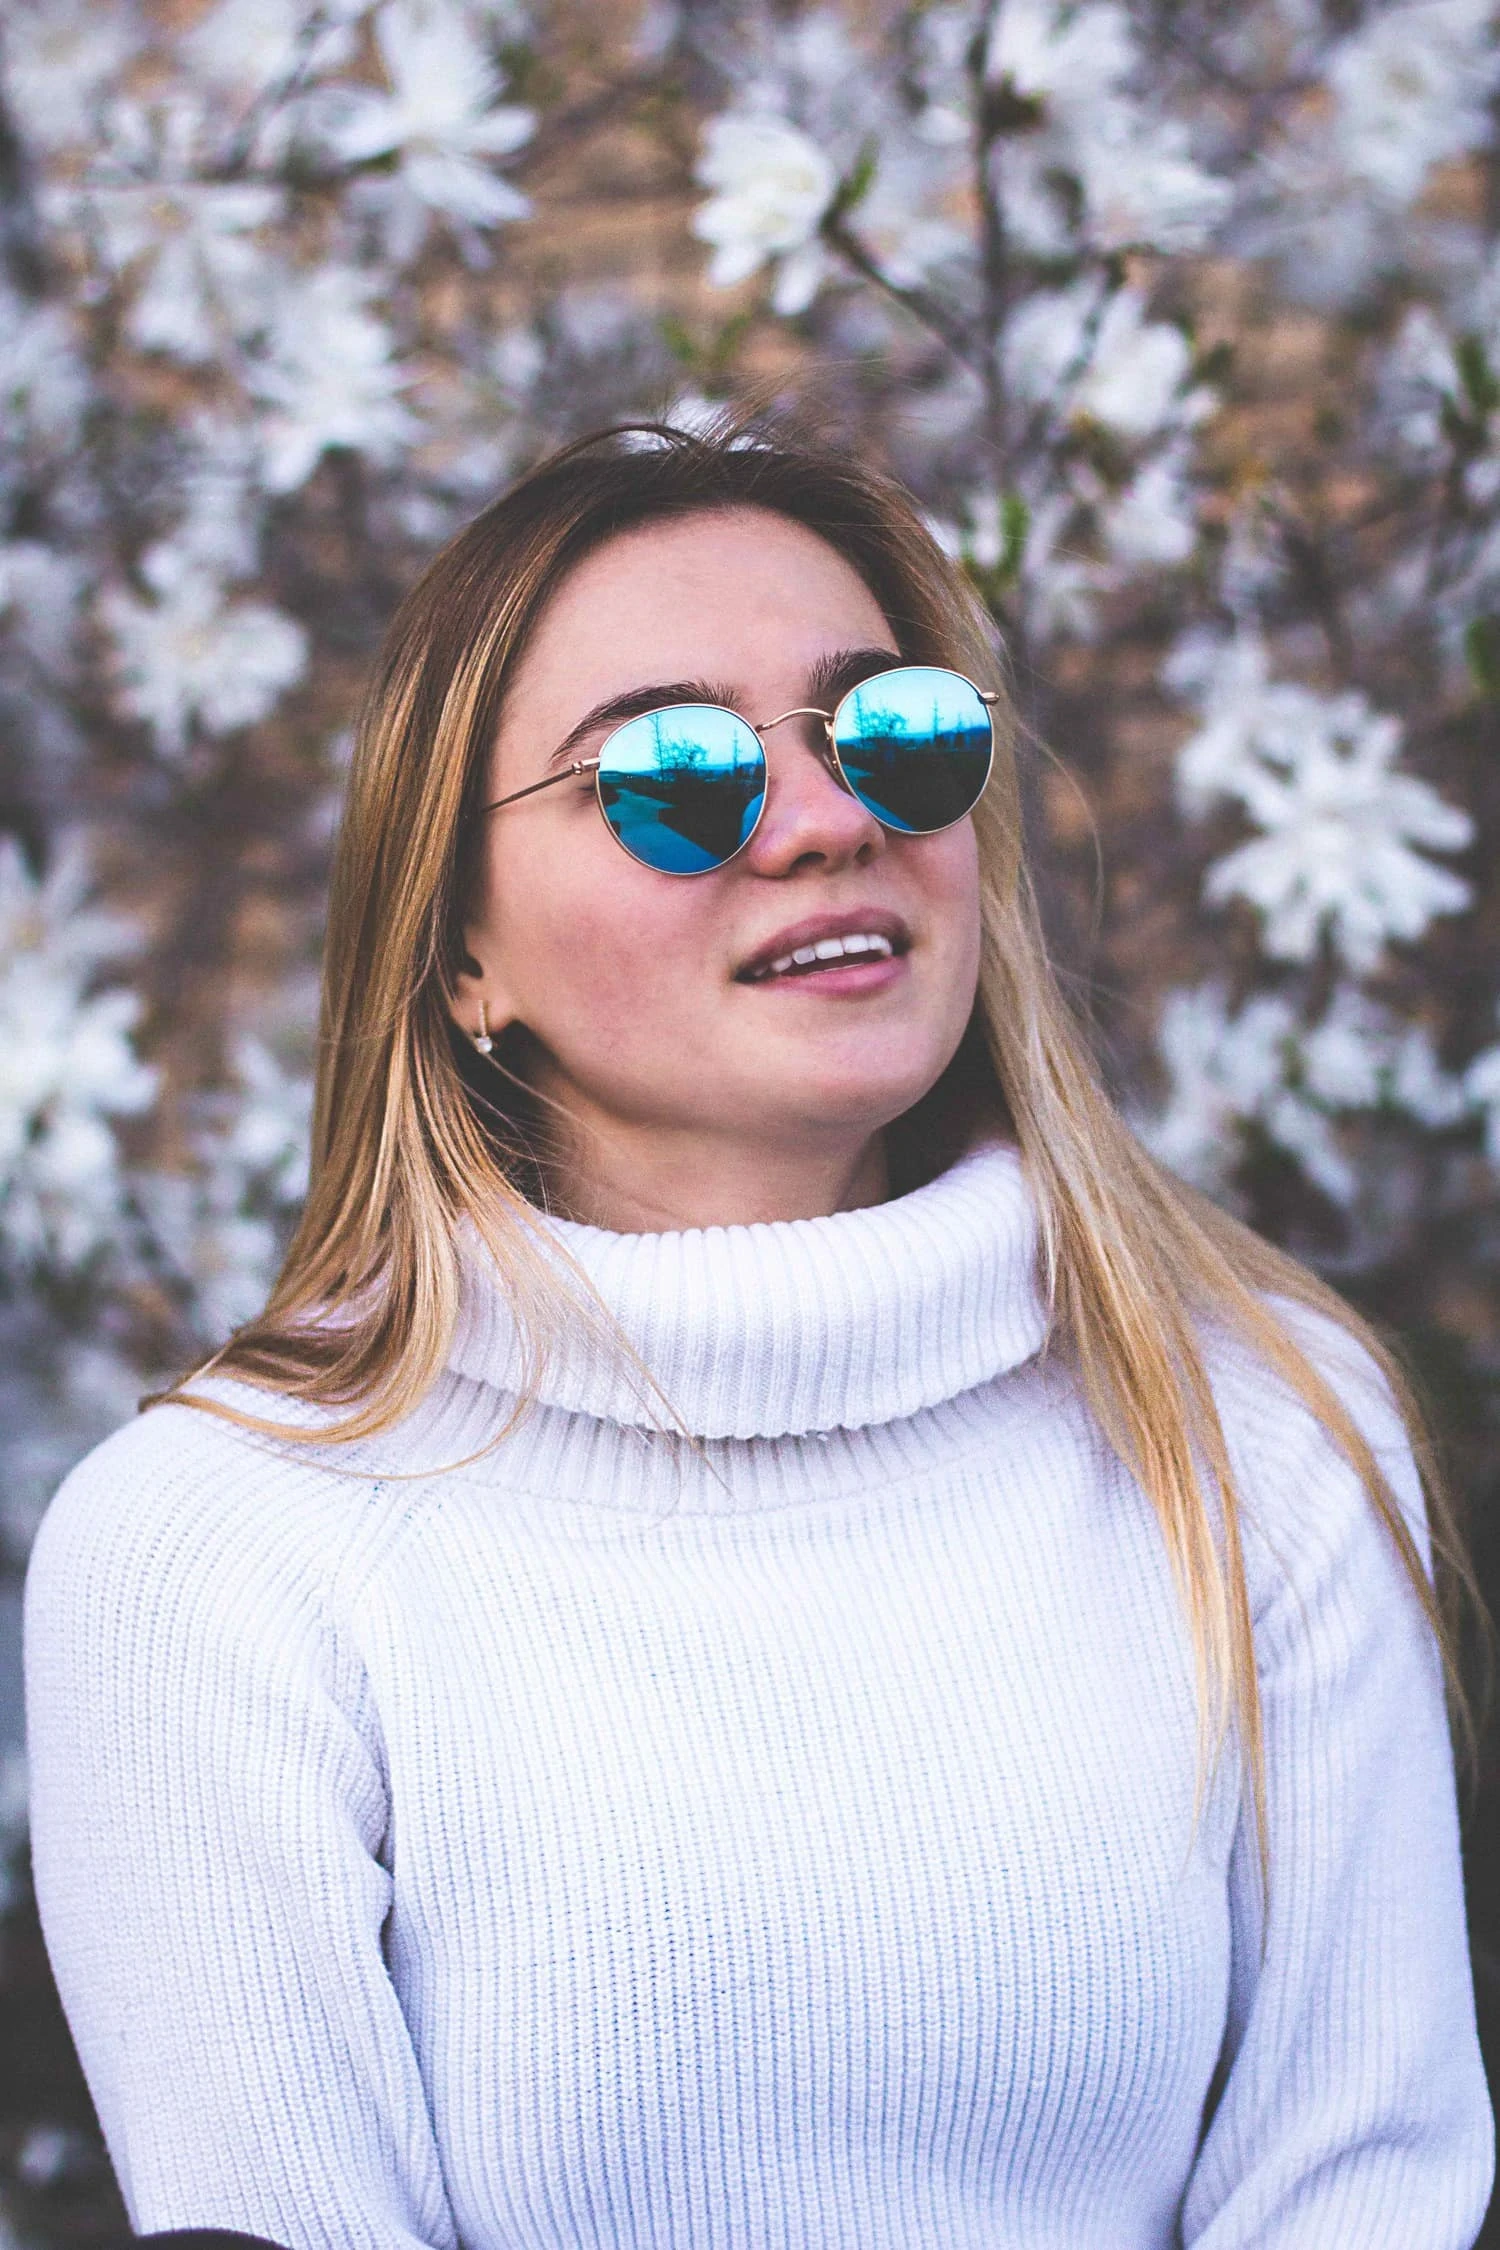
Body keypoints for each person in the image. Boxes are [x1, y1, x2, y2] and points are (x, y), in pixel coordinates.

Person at [22, 415, 1494, 2250]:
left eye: (891, 729)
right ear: (460, 949)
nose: (825, 819)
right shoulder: (222, 1546)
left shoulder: (1256, 1428)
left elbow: (1366, 2186)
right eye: (674, 771)